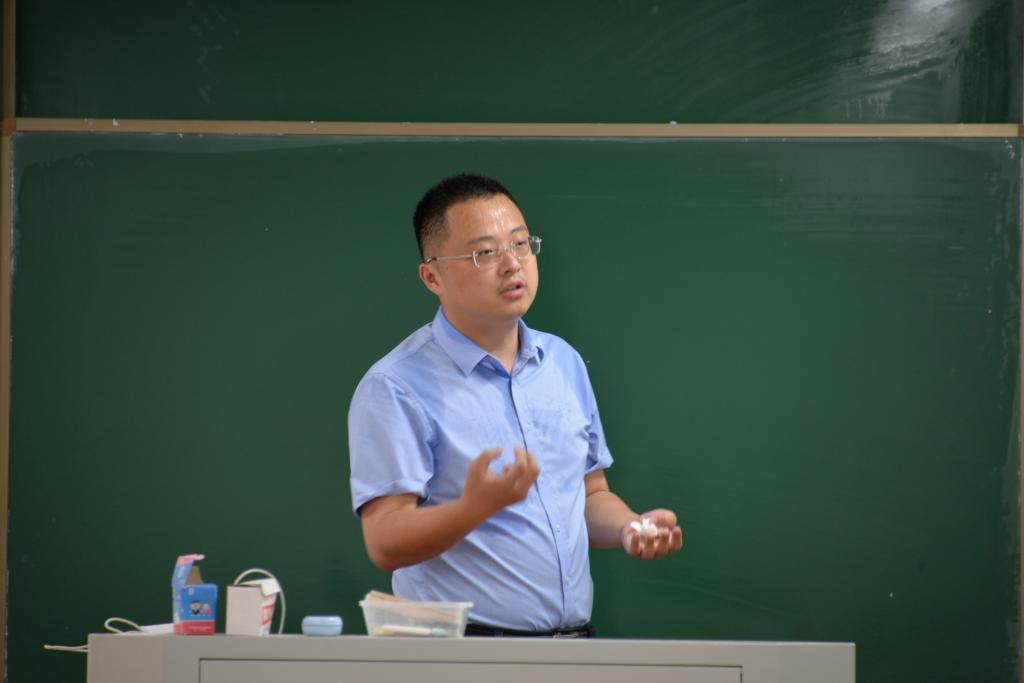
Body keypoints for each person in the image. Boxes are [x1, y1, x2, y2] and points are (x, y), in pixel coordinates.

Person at [348, 173, 682, 637]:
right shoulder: (396, 386)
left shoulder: (562, 362)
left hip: (575, 645)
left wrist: (630, 527)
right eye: (484, 253)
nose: (512, 264)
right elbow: (385, 541)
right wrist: (474, 507)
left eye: (521, 244)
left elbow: (589, 495)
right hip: (464, 651)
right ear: (432, 276)